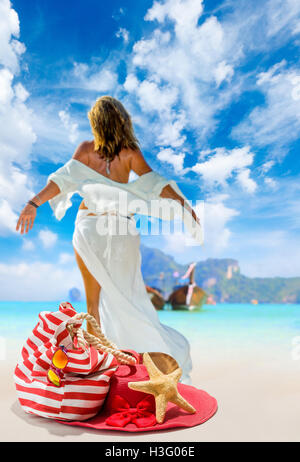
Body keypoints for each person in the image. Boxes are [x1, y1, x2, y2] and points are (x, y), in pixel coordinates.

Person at [16, 96, 202, 384]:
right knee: (131, 295)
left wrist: (33, 202)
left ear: (96, 122)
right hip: (121, 230)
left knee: (93, 303)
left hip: (89, 227)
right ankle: (146, 359)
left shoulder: (86, 150)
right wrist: (183, 204)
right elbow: (156, 185)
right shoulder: (130, 152)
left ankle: (99, 370)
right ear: (122, 121)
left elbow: (61, 181)